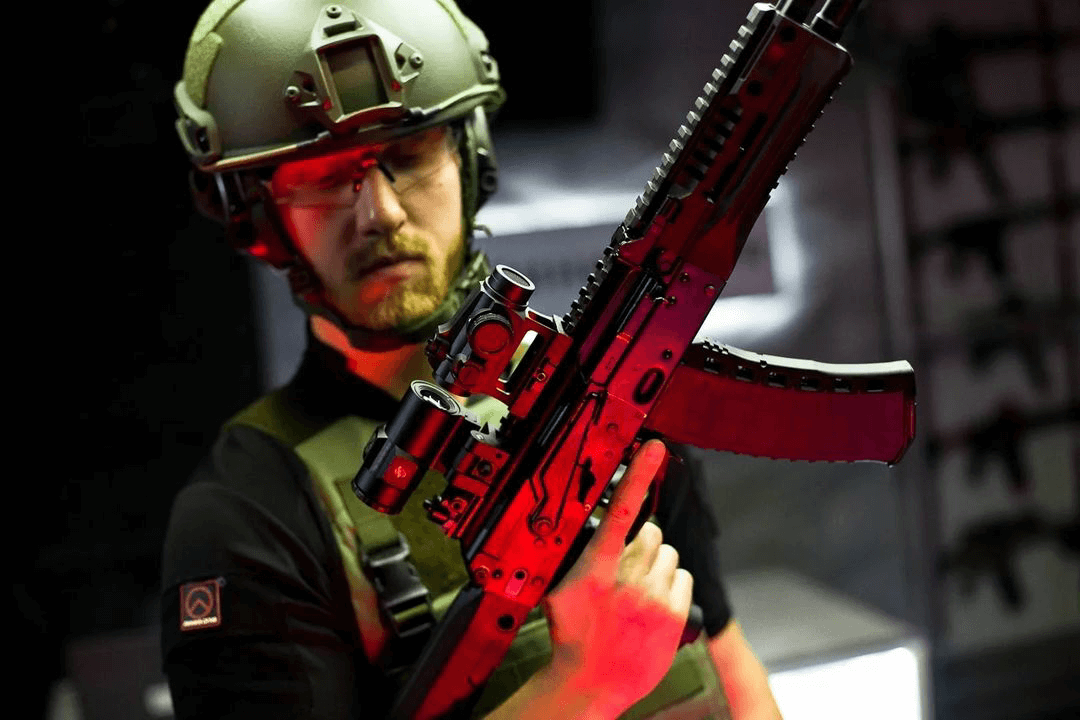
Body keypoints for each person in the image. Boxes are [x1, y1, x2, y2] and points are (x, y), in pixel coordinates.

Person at [161, 0, 782, 718]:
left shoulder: (592, 392)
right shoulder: (247, 515)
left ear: (470, 157)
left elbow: (729, 660)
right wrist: (581, 686)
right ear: (259, 216)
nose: (381, 213)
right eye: (323, 177)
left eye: (410, 154)